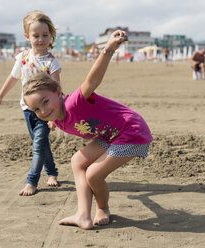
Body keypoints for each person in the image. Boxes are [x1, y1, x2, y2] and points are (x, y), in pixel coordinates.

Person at [23, 30, 153, 229]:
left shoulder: (75, 102)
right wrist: (50, 120)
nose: (43, 110)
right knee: (77, 161)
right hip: (111, 135)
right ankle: (83, 215)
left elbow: (93, 80)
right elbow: (51, 116)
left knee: (93, 174)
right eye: (36, 109)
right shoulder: (55, 118)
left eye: (45, 102)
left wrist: (108, 49)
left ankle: (103, 208)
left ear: (58, 92)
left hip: (131, 132)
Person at [0, 10, 61, 196]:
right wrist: (0, 95)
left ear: (51, 35)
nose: (40, 39)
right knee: (41, 143)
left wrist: (55, 116)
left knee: (38, 145)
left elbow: (57, 90)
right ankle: (52, 173)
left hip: (45, 111)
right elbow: (13, 78)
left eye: (45, 35)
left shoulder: (52, 62)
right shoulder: (23, 57)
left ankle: (32, 182)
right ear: (27, 37)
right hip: (27, 109)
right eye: (36, 35)